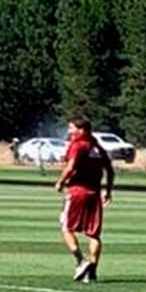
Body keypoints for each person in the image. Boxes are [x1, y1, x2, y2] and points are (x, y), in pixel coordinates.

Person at [55, 117, 115, 282]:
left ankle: (81, 261)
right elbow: (110, 170)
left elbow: (71, 166)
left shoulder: (78, 145)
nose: (69, 132)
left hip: (77, 191)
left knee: (67, 228)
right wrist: (108, 190)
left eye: (71, 128)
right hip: (94, 193)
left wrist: (60, 181)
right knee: (93, 234)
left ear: (81, 130)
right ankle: (92, 271)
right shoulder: (97, 147)